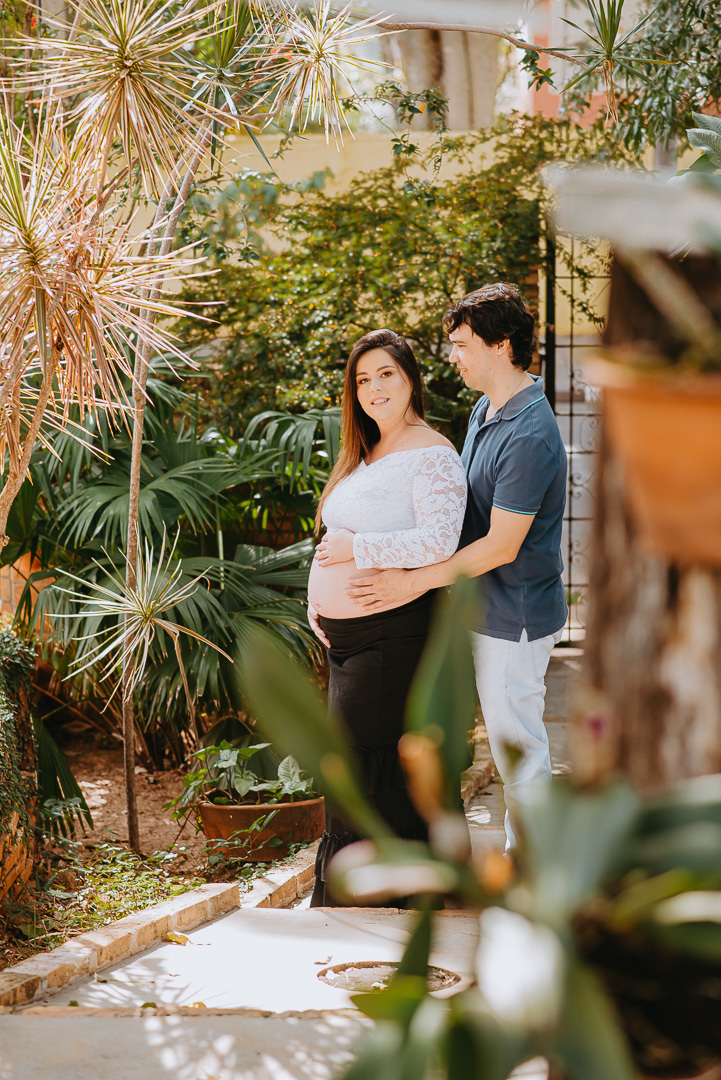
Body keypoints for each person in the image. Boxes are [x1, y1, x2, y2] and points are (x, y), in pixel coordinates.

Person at [343, 285, 568, 850]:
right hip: (474, 608)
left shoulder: (530, 433)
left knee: (517, 744)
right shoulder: (485, 410)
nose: (454, 356)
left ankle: (537, 868)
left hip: (512, 616)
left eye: (463, 344)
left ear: (501, 345)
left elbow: (500, 545)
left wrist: (409, 580)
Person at [307, 328, 467, 906]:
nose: (374, 388)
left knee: (368, 767)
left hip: (392, 635)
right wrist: (315, 599)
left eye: (386, 375)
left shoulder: (432, 453)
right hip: (348, 640)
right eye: (363, 379)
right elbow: (334, 538)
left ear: (410, 380)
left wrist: (359, 551)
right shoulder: (366, 452)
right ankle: (355, 898)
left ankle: (384, 903)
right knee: (347, 764)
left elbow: (440, 541)